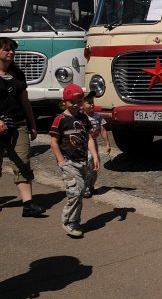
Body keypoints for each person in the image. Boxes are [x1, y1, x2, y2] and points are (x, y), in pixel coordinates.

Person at [0, 37, 44, 217]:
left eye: (12, 49)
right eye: (6, 49)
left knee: (23, 161)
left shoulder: (18, 73)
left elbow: (24, 101)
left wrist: (33, 124)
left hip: (18, 124)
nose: (11, 52)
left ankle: (28, 205)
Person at [49, 84, 99, 238]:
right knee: (75, 192)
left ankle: (74, 220)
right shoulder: (60, 119)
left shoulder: (83, 118)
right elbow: (53, 142)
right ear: (64, 101)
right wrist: (61, 161)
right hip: (68, 162)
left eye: (78, 101)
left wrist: (95, 155)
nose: (75, 105)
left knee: (81, 189)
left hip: (82, 161)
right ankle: (69, 222)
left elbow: (89, 137)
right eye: (72, 101)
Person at [81, 93, 110, 198]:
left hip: (94, 143)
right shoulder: (81, 118)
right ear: (82, 105)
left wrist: (107, 143)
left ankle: (91, 186)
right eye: (89, 103)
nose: (92, 105)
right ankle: (85, 188)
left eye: (92, 103)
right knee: (87, 165)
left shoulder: (97, 116)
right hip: (84, 144)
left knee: (95, 165)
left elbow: (102, 130)